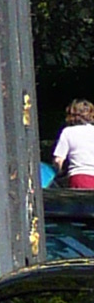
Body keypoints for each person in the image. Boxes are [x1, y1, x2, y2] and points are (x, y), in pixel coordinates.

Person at [49, 100, 94, 260]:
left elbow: (58, 160)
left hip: (80, 177)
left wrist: (58, 172)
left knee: (80, 219)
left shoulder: (68, 132)